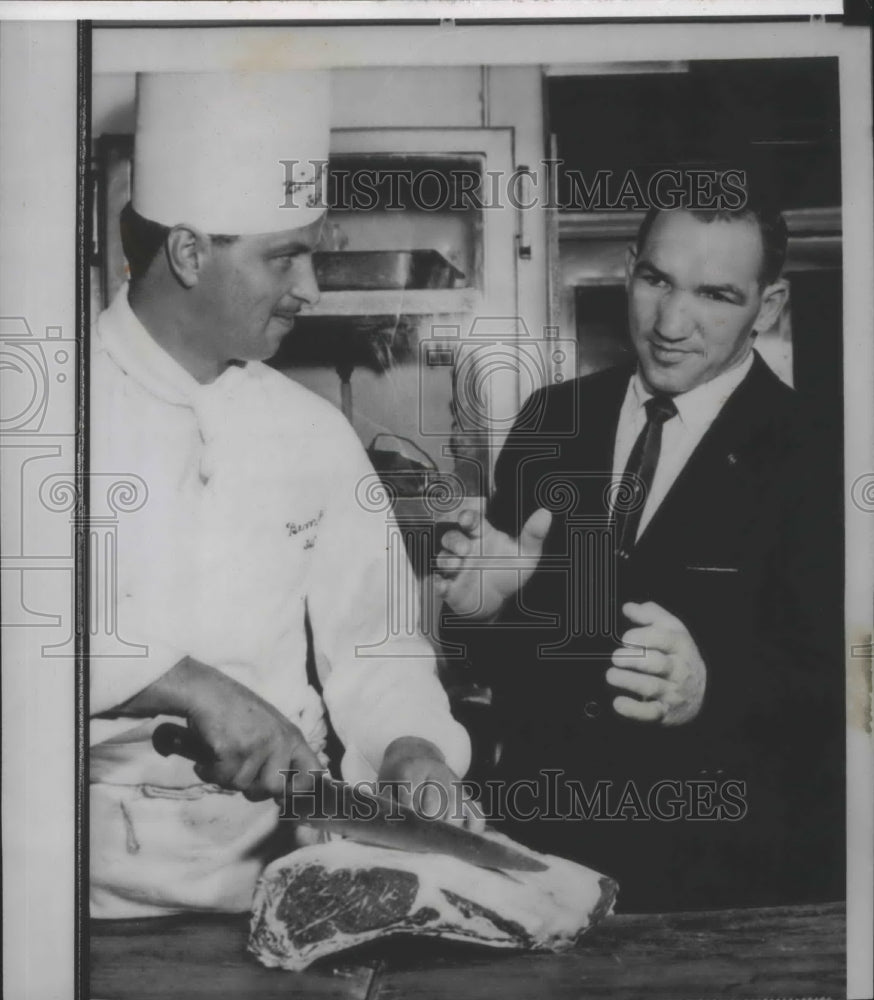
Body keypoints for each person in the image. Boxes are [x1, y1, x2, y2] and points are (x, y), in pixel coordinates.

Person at [89, 70, 477, 919]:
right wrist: (186, 684)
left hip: (279, 878)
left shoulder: (310, 432)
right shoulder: (47, 407)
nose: (311, 288)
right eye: (283, 255)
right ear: (190, 251)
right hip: (76, 900)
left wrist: (413, 750)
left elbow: (376, 643)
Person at [437, 202, 844, 911]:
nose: (670, 323)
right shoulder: (550, 420)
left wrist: (713, 689)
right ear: (629, 271)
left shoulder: (825, 450)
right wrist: (485, 605)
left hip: (727, 881)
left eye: (716, 295)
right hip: (543, 854)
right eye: (657, 280)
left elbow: (852, 681)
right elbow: (490, 662)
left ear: (770, 305)